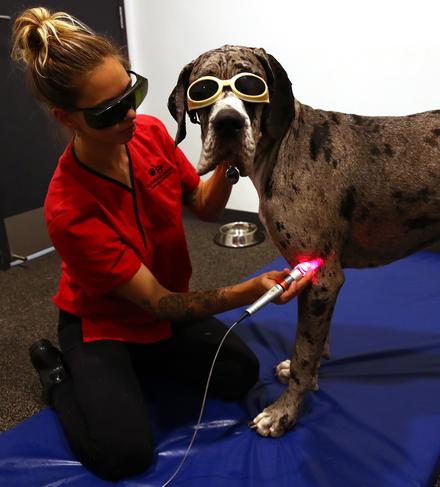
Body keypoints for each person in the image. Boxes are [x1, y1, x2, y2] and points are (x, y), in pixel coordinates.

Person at [10, 7, 311, 481]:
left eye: (133, 91)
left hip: (167, 312)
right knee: (123, 455)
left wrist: (230, 158)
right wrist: (250, 290)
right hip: (107, 323)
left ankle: (134, 372)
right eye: (110, 110)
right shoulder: (69, 209)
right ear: (66, 117)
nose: (131, 112)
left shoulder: (148, 134)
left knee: (239, 376)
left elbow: (205, 207)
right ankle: (58, 376)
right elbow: (160, 303)